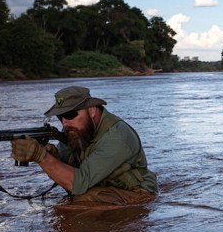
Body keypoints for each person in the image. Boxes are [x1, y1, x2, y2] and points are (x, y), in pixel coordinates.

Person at [10, 85, 158, 205]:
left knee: (82, 202)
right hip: (104, 188)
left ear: (92, 111)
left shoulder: (117, 137)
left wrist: (41, 157)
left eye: (70, 115)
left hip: (138, 194)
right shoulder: (76, 129)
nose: (65, 123)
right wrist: (51, 155)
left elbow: (78, 184)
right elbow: (67, 172)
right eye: (60, 117)